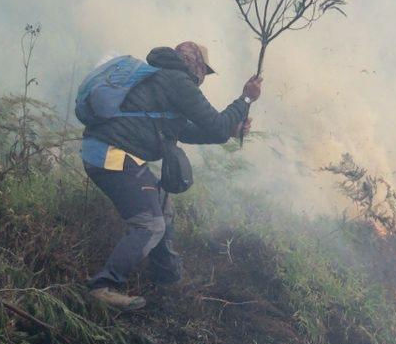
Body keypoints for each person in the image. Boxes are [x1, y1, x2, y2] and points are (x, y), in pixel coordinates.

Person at [80, 41, 262, 311]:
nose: (202, 78)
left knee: (163, 206)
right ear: (196, 65)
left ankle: (165, 277)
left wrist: (233, 130)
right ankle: (103, 287)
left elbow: (189, 131)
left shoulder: (159, 78)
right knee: (150, 225)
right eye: (203, 71)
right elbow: (217, 126)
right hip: (112, 156)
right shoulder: (178, 82)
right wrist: (246, 98)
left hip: (107, 153)